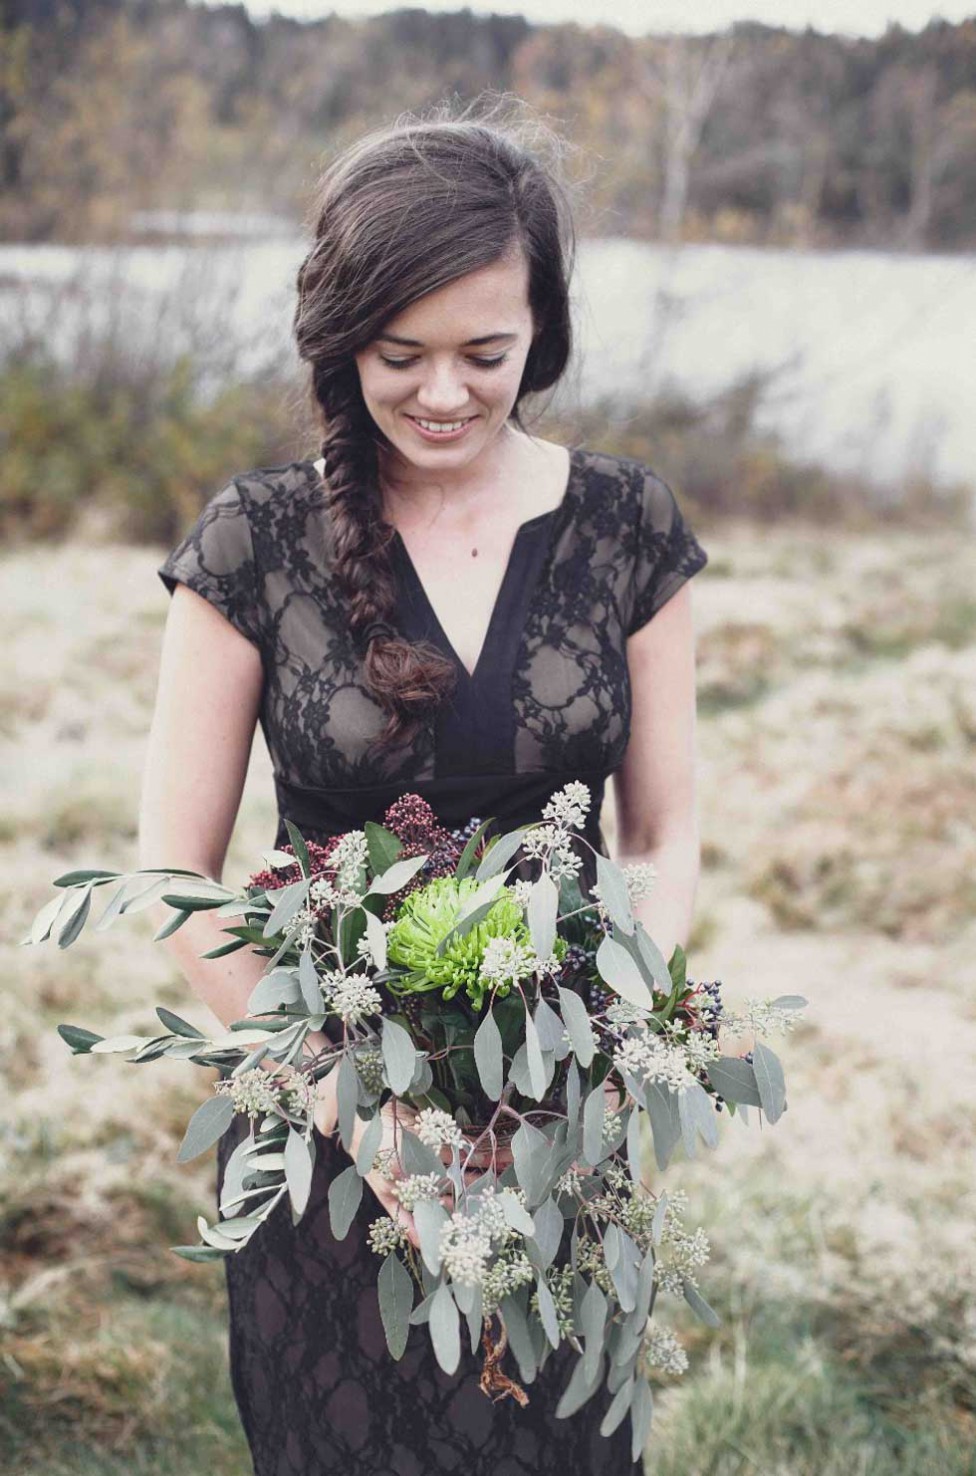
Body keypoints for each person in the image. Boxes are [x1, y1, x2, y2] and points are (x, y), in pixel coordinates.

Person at [141, 99, 708, 1476]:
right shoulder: (255, 540)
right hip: (328, 1142)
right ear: (342, 340)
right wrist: (363, 1114)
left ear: (543, 335)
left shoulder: (627, 525)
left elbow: (666, 830)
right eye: (401, 356)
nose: (443, 392)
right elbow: (168, 875)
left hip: (552, 1140)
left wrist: (601, 1050)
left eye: (486, 353)